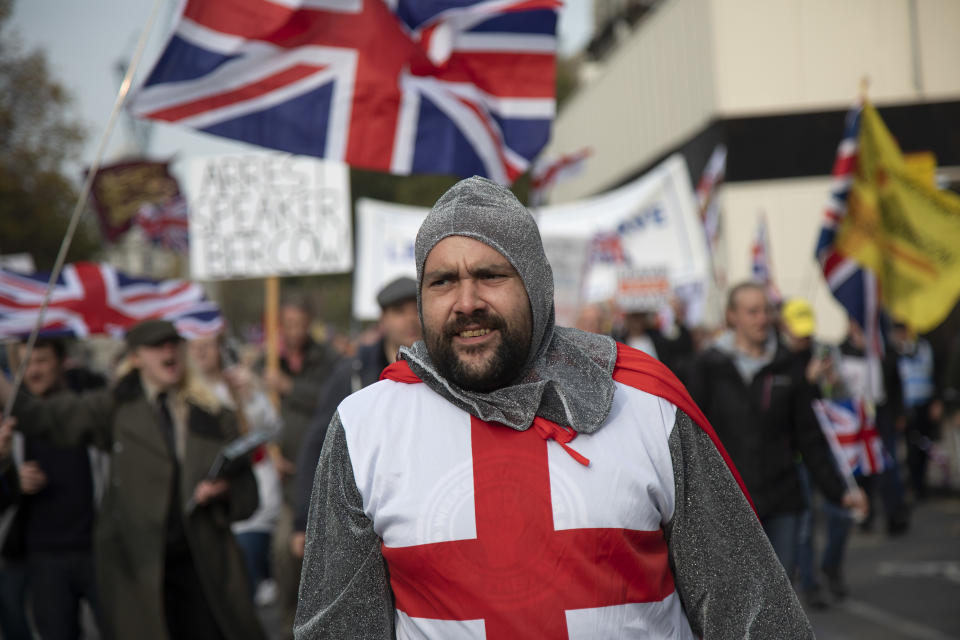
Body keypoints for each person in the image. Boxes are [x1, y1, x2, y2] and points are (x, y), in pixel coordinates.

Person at [296, 177, 814, 638]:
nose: (467, 300)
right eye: (443, 281)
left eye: (491, 274)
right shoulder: (366, 428)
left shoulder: (644, 404)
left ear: (537, 285)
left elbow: (751, 611)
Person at [0, 320, 265, 640]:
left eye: (173, 344)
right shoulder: (116, 407)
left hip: (204, 567)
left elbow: (248, 496)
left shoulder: (212, 413)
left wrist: (225, 491)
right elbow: (46, 417)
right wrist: (5, 387)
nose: (168, 351)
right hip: (141, 570)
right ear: (137, 357)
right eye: (156, 346)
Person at [688, 283, 866, 578]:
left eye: (766, 311)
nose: (762, 319)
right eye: (752, 312)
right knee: (740, 595)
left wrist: (839, 491)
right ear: (732, 316)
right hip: (730, 504)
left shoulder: (787, 366)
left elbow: (809, 437)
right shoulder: (708, 367)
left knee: (782, 597)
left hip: (783, 500)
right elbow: (693, 436)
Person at [290, 276, 422, 559]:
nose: (411, 319)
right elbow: (317, 443)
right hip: (364, 514)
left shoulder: (450, 374)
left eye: (417, 309)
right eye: (400, 311)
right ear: (382, 319)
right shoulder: (351, 374)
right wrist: (304, 520)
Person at [3, 339, 103, 640]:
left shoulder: (87, 409)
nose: (32, 371)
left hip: (96, 550)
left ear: (61, 362)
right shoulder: (8, 420)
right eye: (24, 364)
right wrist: (11, 477)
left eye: (41, 361)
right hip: (42, 557)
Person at [188, 332, 283, 602]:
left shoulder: (237, 385)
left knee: (242, 589)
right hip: (202, 502)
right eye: (194, 347)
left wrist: (251, 397)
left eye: (207, 345)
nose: (201, 352)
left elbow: (273, 430)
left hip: (248, 501)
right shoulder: (182, 394)